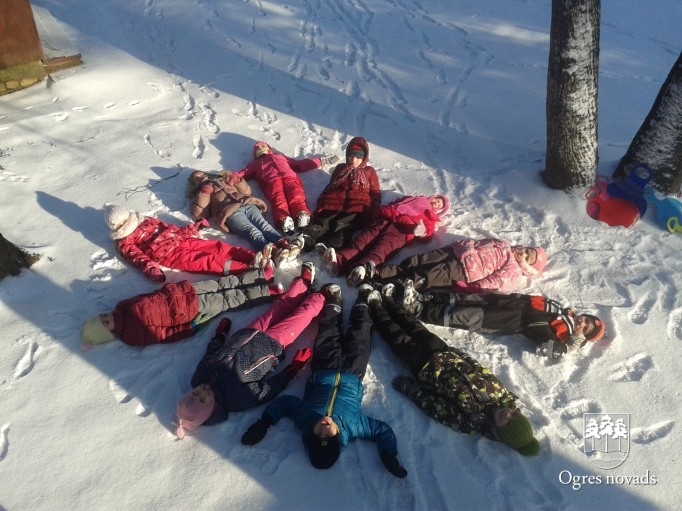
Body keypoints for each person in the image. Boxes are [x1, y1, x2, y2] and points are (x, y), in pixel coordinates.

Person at [239, 284, 408, 478]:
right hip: (353, 372)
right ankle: (362, 301)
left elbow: (284, 404)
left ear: (310, 435)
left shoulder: (304, 418)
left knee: (328, 331)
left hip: (324, 367)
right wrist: (388, 454)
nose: (324, 428)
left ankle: (334, 301)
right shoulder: (354, 427)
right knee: (360, 335)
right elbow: (381, 430)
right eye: (329, 435)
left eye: (318, 434)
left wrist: (265, 422)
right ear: (339, 439)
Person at [367, 286, 540, 456]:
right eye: (514, 415)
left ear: (502, 433)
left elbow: (436, 409)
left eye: (507, 423)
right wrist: (462, 355)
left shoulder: (471, 422)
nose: (508, 415)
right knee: (415, 327)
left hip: (426, 370)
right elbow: (482, 371)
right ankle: (390, 303)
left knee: (397, 337)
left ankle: (376, 307)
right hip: (446, 354)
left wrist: (413, 391)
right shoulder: (503, 396)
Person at [175, 262, 325, 438]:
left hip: (249, 333)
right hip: (272, 346)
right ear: (210, 409)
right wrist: (293, 369)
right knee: (300, 317)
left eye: (195, 393)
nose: (202, 391)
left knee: (280, 306)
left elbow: (210, 355)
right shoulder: (235, 399)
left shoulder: (199, 377)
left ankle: (303, 284)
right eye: (202, 399)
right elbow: (267, 390)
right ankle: (321, 297)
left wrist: (220, 336)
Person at [390, 283, 605, 359]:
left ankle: (418, 309)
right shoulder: (563, 310)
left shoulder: (562, 335)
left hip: (507, 320)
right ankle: (423, 296)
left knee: (462, 315)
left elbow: (547, 349)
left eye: (585, 329)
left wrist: (572, 346)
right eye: (586, 320)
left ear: (582, 335)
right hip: (506, 302)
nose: (582, 323)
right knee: (464, 298)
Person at [81, 267, 278, 347]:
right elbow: (164, 335)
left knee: (222, 284)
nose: (107, 317)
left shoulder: (122, 305)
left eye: (103, 316)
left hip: (181, 291)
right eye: (106, 323)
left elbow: (148, 296)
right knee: (228, 299)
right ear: (109, 333)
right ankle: (267, 292)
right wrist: (189, 328)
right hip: (187, 310)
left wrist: (168, 289)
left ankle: (260, 276)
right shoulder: (131, 335)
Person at [104, 204, 270, 283]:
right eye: (123, 225)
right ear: (117, 228)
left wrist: (191, 229)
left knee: (217, 247)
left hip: (182, 240)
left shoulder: (146, 220)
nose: (128, 225)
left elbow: (170, 228)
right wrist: (151, 269)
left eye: (127, 220)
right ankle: (246, 269)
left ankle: (253, 257)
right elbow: (138, 257)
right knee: (207, 261)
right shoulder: (125, 242)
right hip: (169, 255)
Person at [324, 194, 450, 286]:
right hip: (386, 219)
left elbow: (428, 233)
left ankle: (361, 270)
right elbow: (397, 202)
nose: (437, 203)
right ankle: (339, 262)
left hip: (401, 231)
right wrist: (388, 209)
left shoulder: (431, 217)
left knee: (381, 250)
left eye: (440, 205)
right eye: (438, 200)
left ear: (440, 211)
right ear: (433, 197)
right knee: (362, 241)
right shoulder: (415, 198)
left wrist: (421, 231)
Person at [186, 170, 302, 265]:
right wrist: (204, 194)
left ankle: (285, 244)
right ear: (194, 184)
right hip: (230, 213)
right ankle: (274, 252)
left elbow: (247, 191)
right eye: (197, 178)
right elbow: (201, 214)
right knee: (252, 231)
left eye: (201, 174)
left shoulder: (222, 178)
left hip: (247, 204)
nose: (201, 177)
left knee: (263, 225)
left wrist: (237, 181)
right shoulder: (199, 193)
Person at [232, 141, 339, 235]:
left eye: (262, 146)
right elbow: (242, 174)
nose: (260, 149)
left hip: (290, 178)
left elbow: (300, 165)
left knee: (296, 196)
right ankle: (283, 221)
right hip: (272, 182)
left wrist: (322, 161)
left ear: (268, 149)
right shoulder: (255, 164)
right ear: (255, 154)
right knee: (279, 201)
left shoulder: (280, 157)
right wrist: (227, 176)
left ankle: (302, 216)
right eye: (257, 149)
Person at [374, 238, 547, 293]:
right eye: (527, 251)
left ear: (526, 267)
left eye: (527, 258)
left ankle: (392, 286)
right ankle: (381, 273)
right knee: (418, 260)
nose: (523, 254)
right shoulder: (503, 243)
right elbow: (479, 243)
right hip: (454, 251)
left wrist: (473, 287)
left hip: (464, 271)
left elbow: (495, 281)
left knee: (427, 276)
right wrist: (466, 244)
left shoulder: (514, 270)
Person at [300, 137, 381, 253]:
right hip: (333, 202)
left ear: (364, 158)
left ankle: (329, 247)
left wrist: (373, 206)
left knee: (343, 226)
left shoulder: (369, 171)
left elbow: (375, 191)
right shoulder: (340, 168)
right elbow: (331, 184)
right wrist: (324, 198)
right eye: (351, 156)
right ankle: (304, 240)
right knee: (323, 222)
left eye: (358, 157)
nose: (354, 160)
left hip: (355, 206)